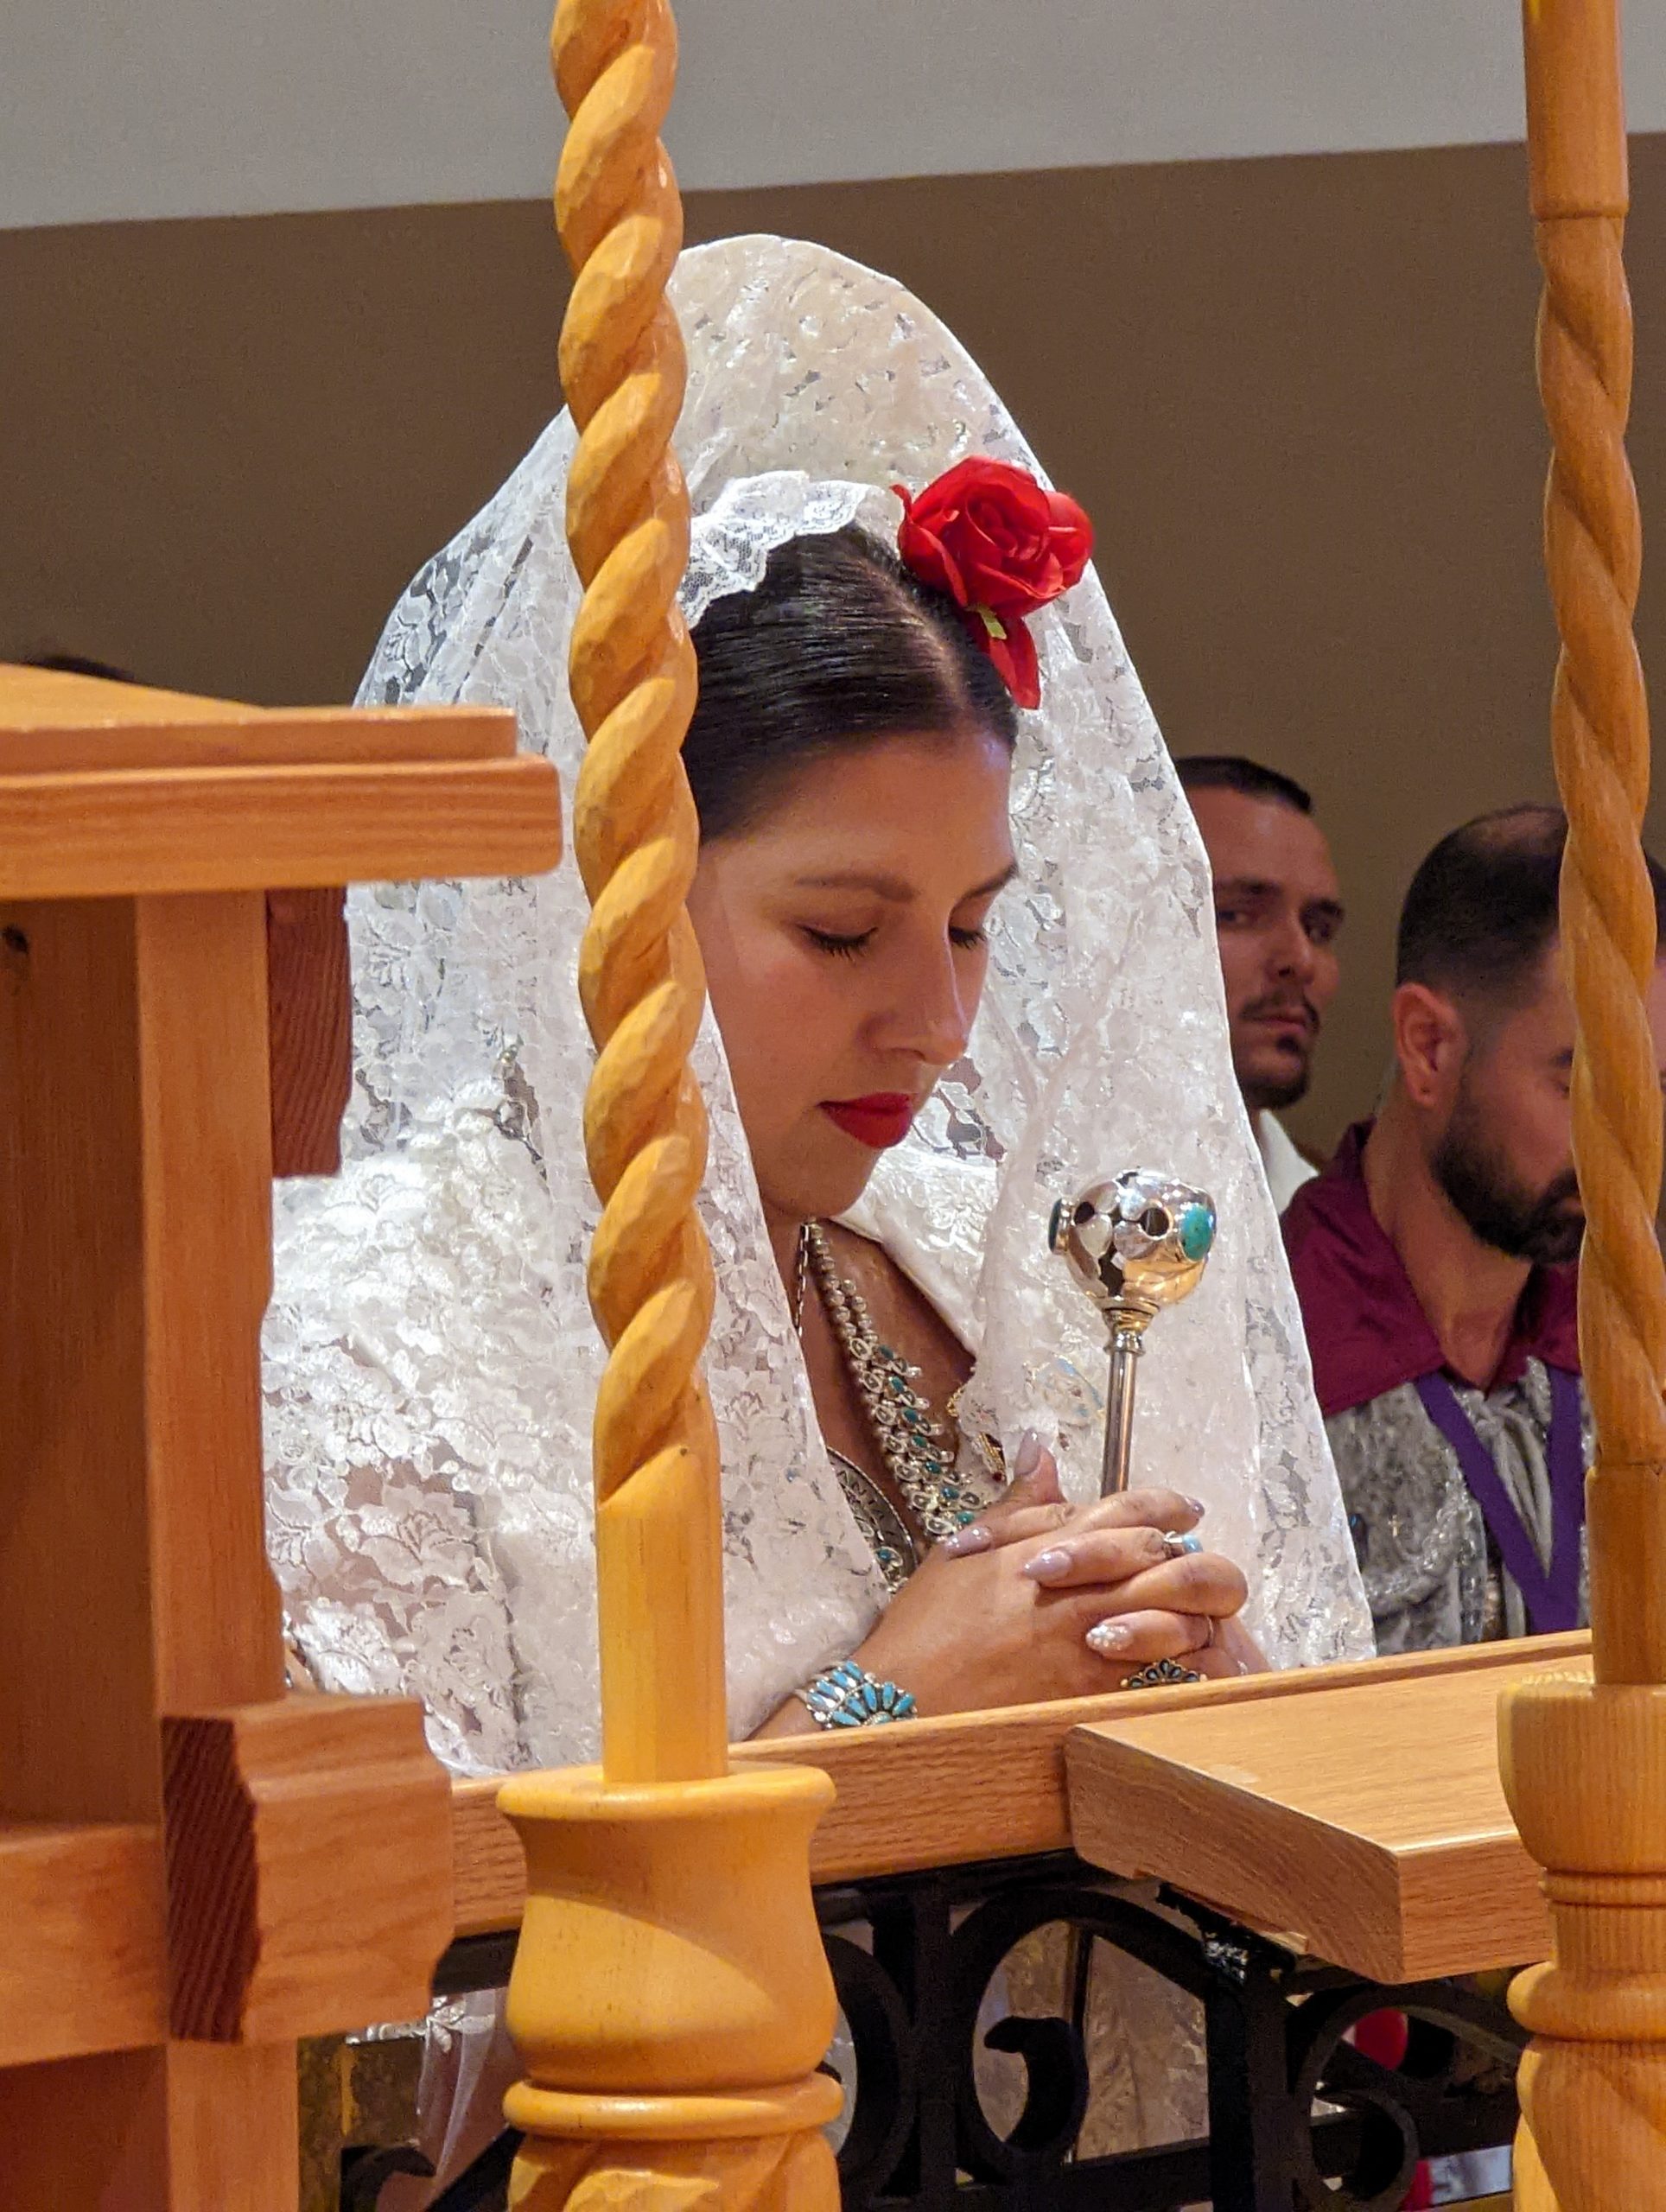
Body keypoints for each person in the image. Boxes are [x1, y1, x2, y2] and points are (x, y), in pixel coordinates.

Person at [265, 235, 1370, 2186]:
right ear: (599, 894)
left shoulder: (970, 1244)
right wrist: (875, 1716)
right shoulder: (372, 1332)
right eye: (842, 928)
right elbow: (362, 2091)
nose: (938, 1019)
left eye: (972, 925)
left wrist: (1202, 1703)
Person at [1285, 802, 1666, 1653]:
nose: (1633, 1155)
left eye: (1657, 1092)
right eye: (1585, 1088)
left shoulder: (1639, 1347)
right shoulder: (1261, 1359)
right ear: (1427, 1048)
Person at [1173, 754, 1344, 1211]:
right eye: (1237, 914)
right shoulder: (1007, 1191)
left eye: (1318, 929)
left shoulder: (1322, 1233)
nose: (1300, 960)